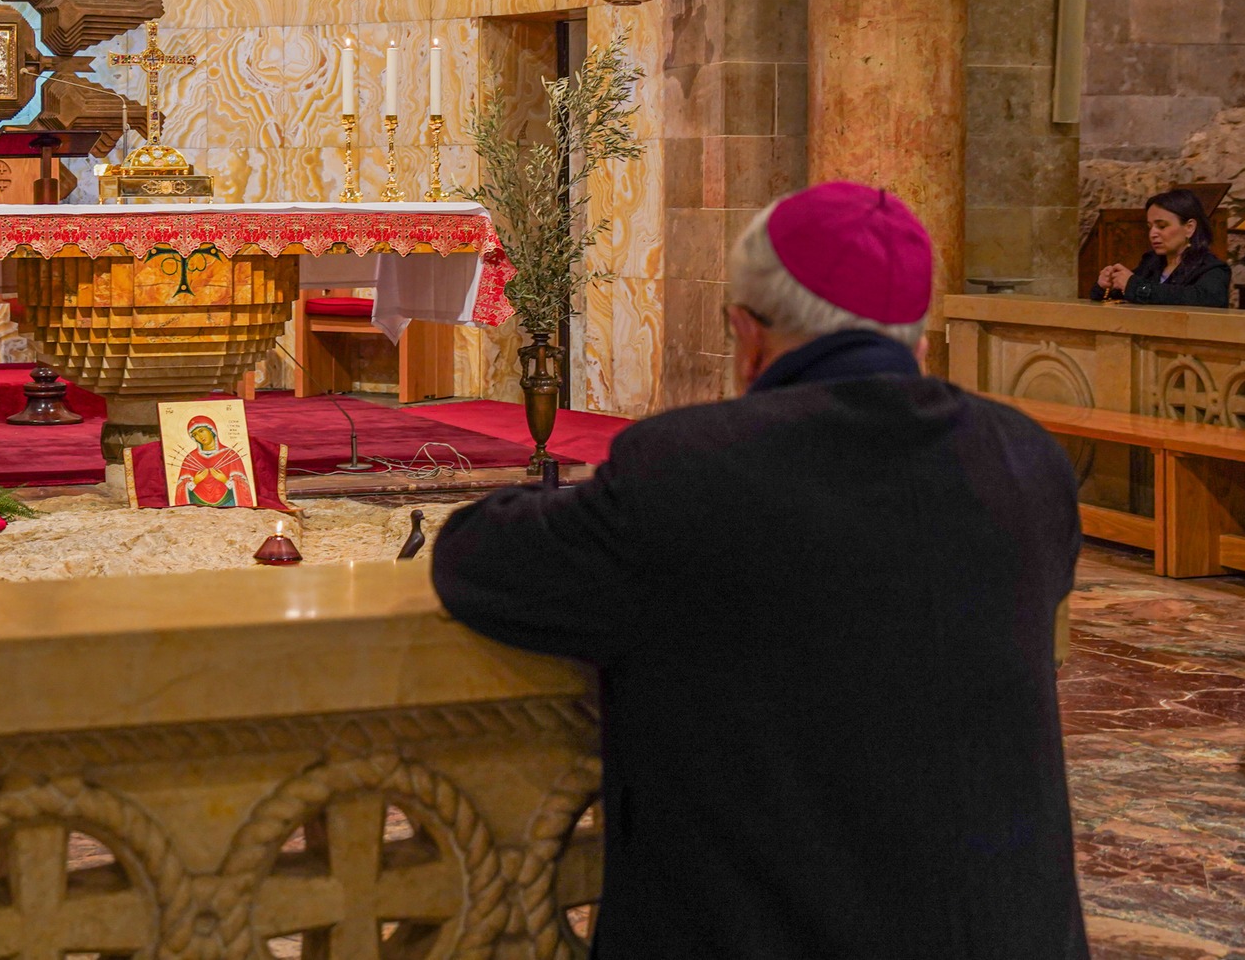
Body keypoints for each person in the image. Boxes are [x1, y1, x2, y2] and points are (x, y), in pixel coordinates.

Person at [431, 181, 1087, 960]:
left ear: (745, 335)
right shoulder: (1026, 460)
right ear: (917, 341)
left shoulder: (690, 469)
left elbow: (477, 561)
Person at [1093, 188, 1232, 307]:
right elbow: (1121, 293)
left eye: (1162, 226)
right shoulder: (1151, 263)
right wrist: (1106, 285)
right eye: (1150, 227)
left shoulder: (1212, 269)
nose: (1153, 233)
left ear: (1189, 227)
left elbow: (1201, 299)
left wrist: (1135, 286)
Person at [171, 414, 255, 508]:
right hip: (197, 505)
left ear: (211, 430)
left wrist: (225, 480)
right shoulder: (191, 458)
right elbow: (180, 491)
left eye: (201, 431)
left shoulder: (230, 455)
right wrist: (194, 481)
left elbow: (243, 489)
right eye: (195, 434)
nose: (199, 436)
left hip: (227, 503)